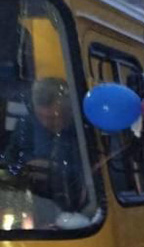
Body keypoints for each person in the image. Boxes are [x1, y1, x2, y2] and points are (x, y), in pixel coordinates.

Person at [1, 77, 86, 212]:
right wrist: (25, 169)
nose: (47, 124)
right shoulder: (27, 125)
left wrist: (57, 169)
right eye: (41, 117)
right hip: (34, 201)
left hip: (77, 205)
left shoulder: (84, 131)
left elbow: (92, 174)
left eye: (54, 117)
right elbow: (9, 161)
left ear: (70, 109)